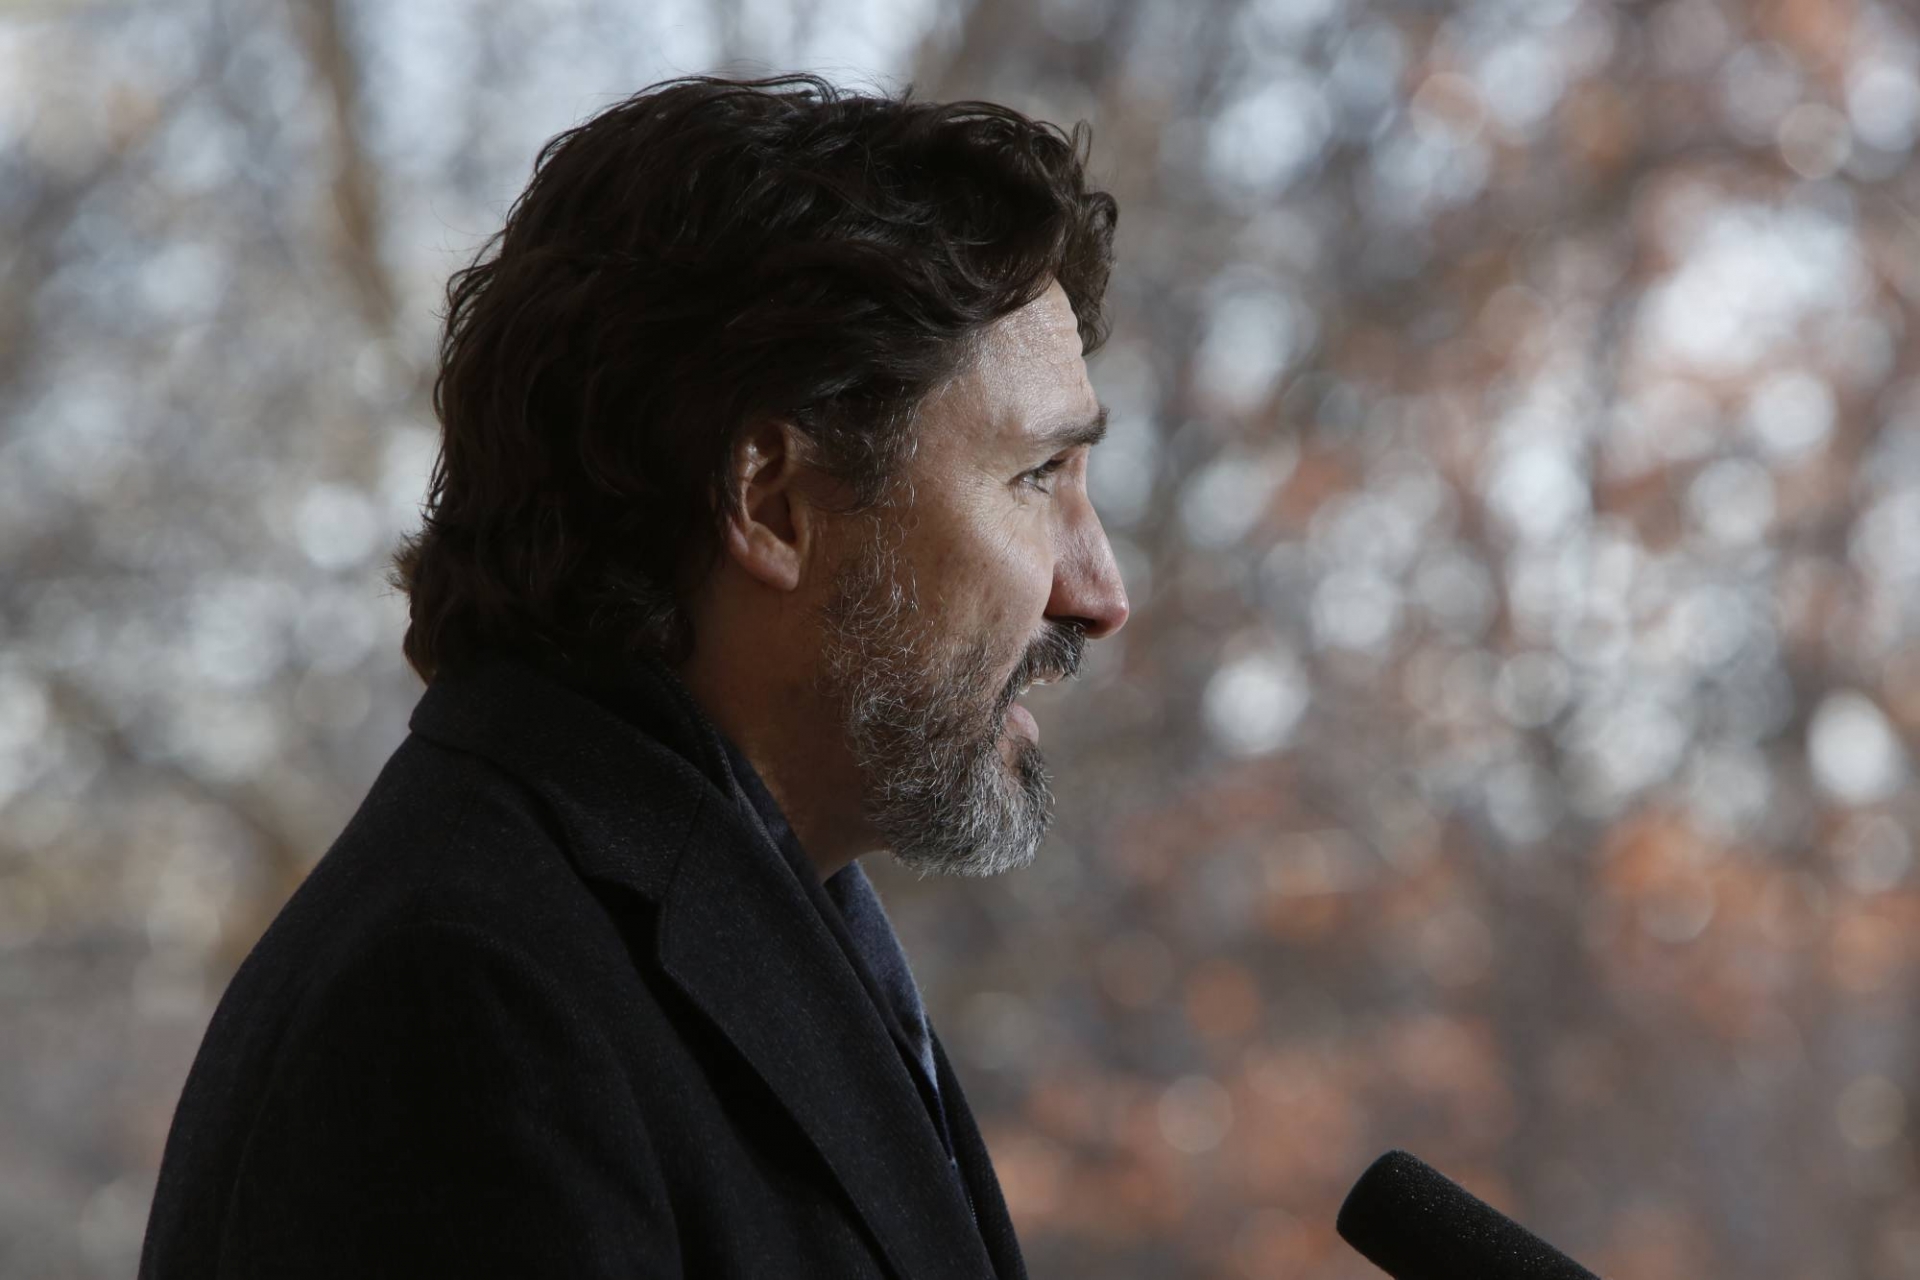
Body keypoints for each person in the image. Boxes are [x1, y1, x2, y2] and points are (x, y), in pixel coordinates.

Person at [138, 73, 1129, 1280]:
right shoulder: (468, 1002)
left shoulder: (721, 925)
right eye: (1039, 478)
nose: (1098, 591)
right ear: (770, 499)